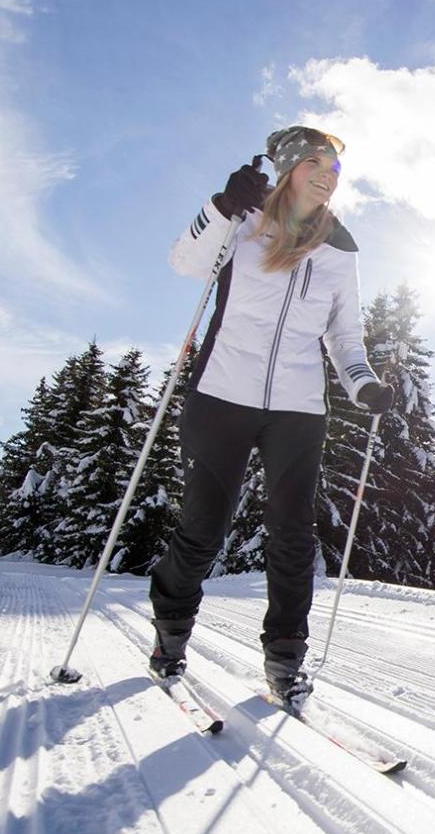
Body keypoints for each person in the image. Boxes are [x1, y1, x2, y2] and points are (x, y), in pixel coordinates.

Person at [147, 126, 394, 709]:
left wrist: (363, 385)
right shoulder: (243, 222)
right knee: (203, 531)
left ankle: (286, 659)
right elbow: (184, 262)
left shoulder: (340, 248)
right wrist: (221, 205)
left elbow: (345, 335)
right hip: (222, 396)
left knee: (292, 537)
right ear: (286, 169)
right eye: (315, 162)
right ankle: (171, 633)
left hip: (298, 407)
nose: (328, 174)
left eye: (334, 167)